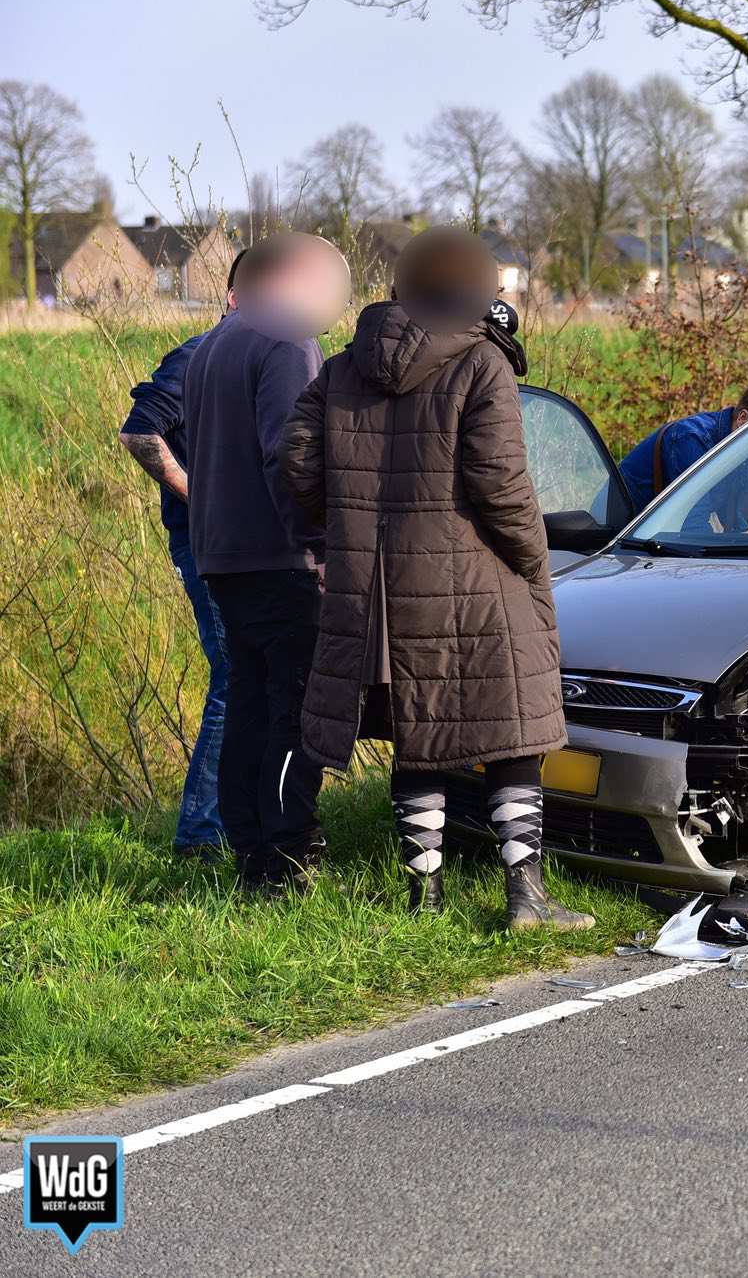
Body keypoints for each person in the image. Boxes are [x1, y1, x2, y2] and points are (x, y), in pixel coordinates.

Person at [280, 226, 592, 931]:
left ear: (403, 289)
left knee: (417, 738)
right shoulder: (481, 364)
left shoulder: (341, 368)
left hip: (380, 596)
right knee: (514, 736)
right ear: (478, 292)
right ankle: (527, 898)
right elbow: (500, 481)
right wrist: (532, 559)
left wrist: (338, 528)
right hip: (480, 584)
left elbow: (296, 455)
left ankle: (425, 895)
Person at [184, 233, 344, 894]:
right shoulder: (286, 338)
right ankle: (288, 860)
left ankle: (252, 858)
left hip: (224, 555)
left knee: (251, 707)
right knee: (297, 714)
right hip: (281, 557)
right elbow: (292, 453)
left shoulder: (215, 342)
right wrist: (322, 545)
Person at [117, 249, 245, 859]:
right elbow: (139, 431)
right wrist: (207, 496)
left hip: (250, 549)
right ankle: (200, 834)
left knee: (253, 679)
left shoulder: (274, 361)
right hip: (205, 544)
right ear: (232, 298)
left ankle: (240, 822)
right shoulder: (197, 355)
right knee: (233, 677)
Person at [616, 377, 748, 510]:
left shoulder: (738, 446)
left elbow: (734, 521)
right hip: (619, 535)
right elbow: (692, 523)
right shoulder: (691, 439)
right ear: (743, 419)